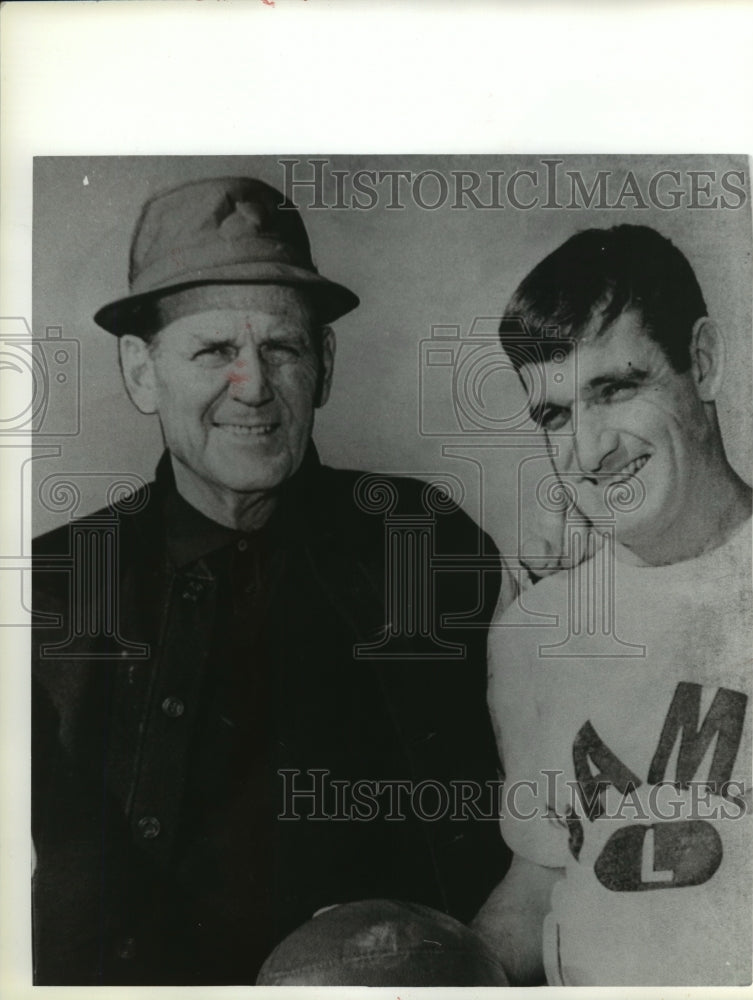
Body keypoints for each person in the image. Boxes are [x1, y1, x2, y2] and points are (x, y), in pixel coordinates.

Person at [31, 176, 509, 985]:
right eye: (213, 350)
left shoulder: (424, 543)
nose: (252, 387)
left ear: (323, 364)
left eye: (281, 347)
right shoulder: (51, 591)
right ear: (141, 371)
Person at [472, 225, 752, 986]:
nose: (589, 451)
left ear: (701, 361)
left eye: (614, 390)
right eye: (554, 417)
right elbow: (538, 887)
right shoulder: (533, 633)